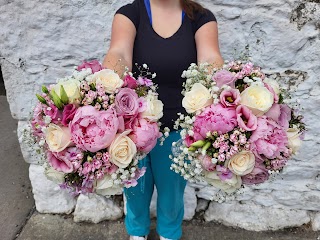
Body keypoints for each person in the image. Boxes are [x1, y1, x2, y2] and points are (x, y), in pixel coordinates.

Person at [103, 0, 223, 239]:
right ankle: (137, 233)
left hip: (179, 127)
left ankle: (169, 233)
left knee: (172, 194)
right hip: (133, 127)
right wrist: (107, 81)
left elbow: (210, 58)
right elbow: (119, 52)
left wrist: (217, 81)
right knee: (135, 190)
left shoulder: (200, 17)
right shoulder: (131, 13)